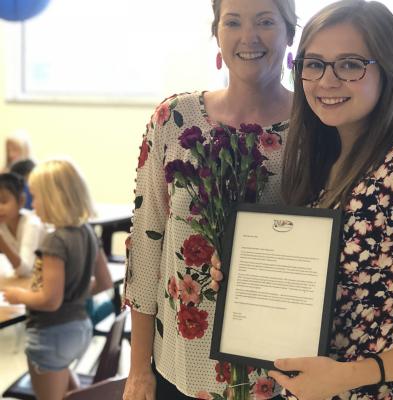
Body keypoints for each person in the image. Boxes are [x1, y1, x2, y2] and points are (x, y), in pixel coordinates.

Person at [264, 1, 393, 399]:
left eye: (349, 64)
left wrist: (350, 376)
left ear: (388, 71)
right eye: (313, 64)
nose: (326, 81)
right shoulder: (319, 165)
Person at [122, 0, 297, 398]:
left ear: (290, 34)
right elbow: (147, 247)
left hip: (282, 375)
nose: (248, 36)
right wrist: (138, 370)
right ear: (216, 33)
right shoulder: (173, 120)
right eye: (232, 21)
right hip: (182, 366)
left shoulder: (317, 125)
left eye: (266, 22)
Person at [3, 159, 113, 400]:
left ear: (54, 198)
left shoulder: (55, 241)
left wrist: (18, 296)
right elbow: (104, 282)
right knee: (71, 393)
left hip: (51, 335)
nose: (33, 206)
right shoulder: (87, 232)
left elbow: (50, 301)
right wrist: (73, 295)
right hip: (79, 330)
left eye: (36, 198)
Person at [0, 172, 45, 277]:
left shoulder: (32, 224)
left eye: (3, 201)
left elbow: (25, 270)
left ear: (21, 201)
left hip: (43, 281)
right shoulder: (3, 223)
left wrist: (1, 242)